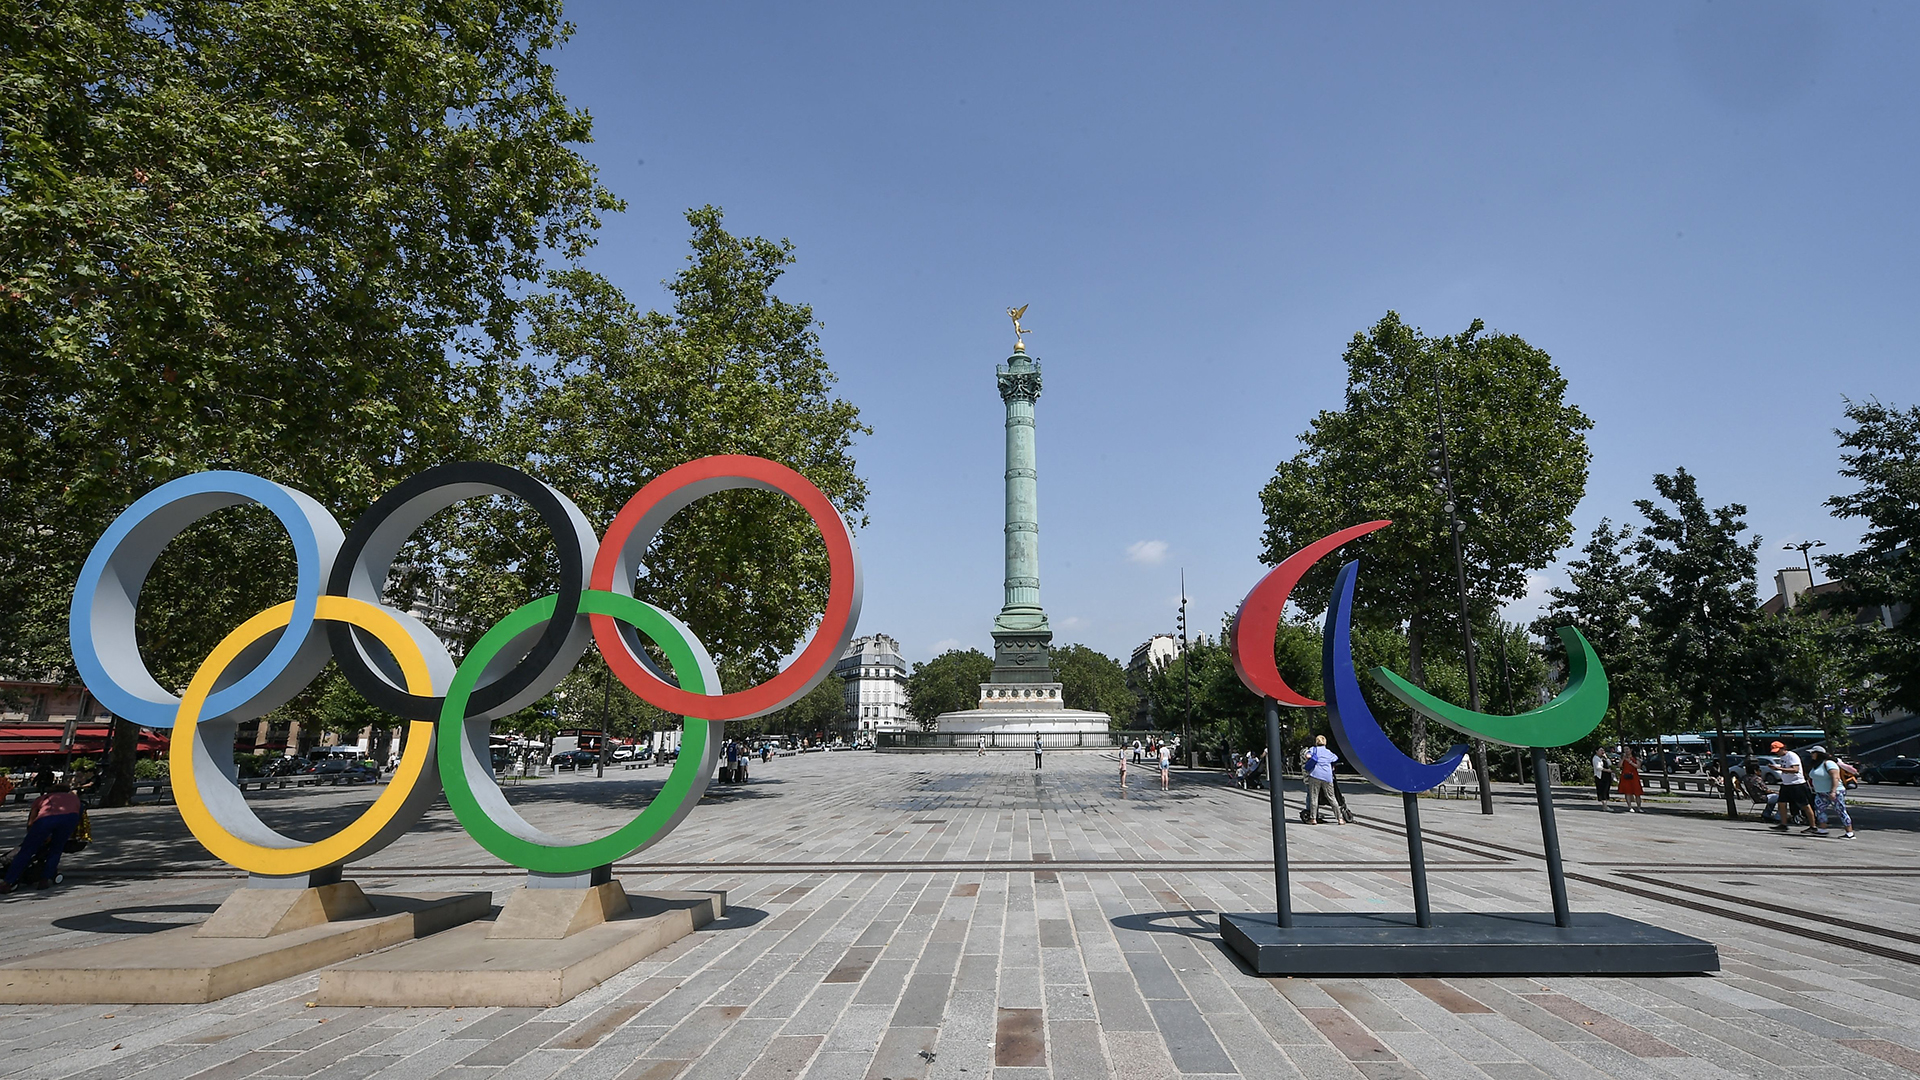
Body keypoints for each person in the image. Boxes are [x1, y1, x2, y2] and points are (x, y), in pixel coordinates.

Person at [1, 779, 83, 893]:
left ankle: (8, 882)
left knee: (26, 851)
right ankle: (44, 879)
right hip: (69, 819)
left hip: (45, 820)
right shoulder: (74, 798)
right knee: (56, 849)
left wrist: (32, 835)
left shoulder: (42, 798)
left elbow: (31, 822)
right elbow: (79, 815)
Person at [1770, 740, 1823, 835]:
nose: (1777, 753)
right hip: (1786, 784)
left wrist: (1779, 768)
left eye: (1778, 751)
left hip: (1797, 784)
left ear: (1783, 748)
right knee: (1781, 803)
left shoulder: (1792, 756)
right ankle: (1783, 824)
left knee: (1804, 805)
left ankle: (1813, 826)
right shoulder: (1782, 757)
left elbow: (1795, 769)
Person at [1806, 745, 1855, 839]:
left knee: (1840, 810)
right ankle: (1823, 829)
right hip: (1821, 792)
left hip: (1835, 791)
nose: (1811, 755)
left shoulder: (1829, 763)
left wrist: (1833, 791)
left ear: (1819, 754)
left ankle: (1849, 832)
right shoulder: (1816, 765)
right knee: (1820, 810)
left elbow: (1835, 777)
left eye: (1813, 753)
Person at [1303, 736, 1342, 825]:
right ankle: (1340, 818)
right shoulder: (1328, 752)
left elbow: (1307, 756)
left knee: (1314, 797)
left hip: (1315, 775)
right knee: (1331, 797)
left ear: (1316, 742)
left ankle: (1313, 818)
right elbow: (1335, 758)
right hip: (1327, 777)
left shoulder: (1313, 749)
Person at [1617, 748, 1645, 813]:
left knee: (1637, 792)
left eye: (1627, 749)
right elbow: (1619, 766)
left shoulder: (1635, 758)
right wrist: (1623, 759)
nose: (1626, 751)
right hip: (1625, 775)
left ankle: (1639, 807)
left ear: (1631, 750)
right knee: (1627, 792)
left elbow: (1638, 766)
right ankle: (1629, 807)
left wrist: (1630, 761)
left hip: (1634, 776)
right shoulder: (1623, 758)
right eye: (1625, 750)